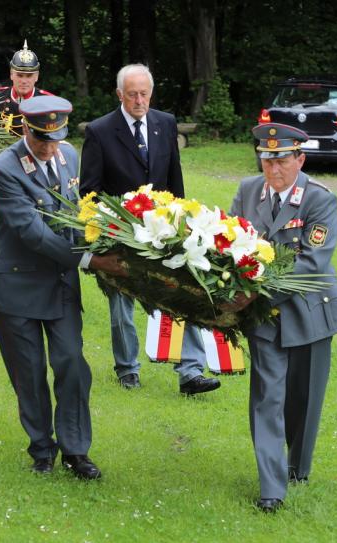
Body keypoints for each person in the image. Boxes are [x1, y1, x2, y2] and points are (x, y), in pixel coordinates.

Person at [0, 95, 127, 478]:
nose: (50, 148)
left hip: (60, 283)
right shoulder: (3, 170)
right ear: (26, 130)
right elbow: (32, 232)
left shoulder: (68, 156)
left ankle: (76, 451)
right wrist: (89, 260)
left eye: (56, 138)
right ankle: (42, 450)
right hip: (17, 287)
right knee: (29, 374)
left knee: (71, 364)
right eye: (41, 140)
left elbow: (76, 214)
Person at [227, 123, 337, 512]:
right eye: (266, 159)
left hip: (310, 313)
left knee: (303, 399)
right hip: (263, 315)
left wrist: (251, 296)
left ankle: (297, 465)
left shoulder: (319, 200)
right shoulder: (248, 191)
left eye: (281, 160)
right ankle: (271, 487)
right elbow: (228, 243)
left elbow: (311, 264)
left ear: (300, 159)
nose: (272, 168)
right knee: (267, 397)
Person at [80, 63, 219, 395]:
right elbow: (90, 191)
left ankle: (190, 371)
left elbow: (175, 178)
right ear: (119, 95)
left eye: (144, 94)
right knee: (122, 304)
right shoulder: (99, 131)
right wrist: (106, 232)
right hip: (119, 233)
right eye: (132, 95)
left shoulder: (165, 123)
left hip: (165, 230)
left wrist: (183, 223)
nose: (139, 100)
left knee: (183, 293)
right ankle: (127, 368)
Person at [0, 40, 53, 137]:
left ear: (36, 76)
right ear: (11, 75)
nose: (24, 81)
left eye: (29, 76)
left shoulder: (47, 102)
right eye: (20, 75)